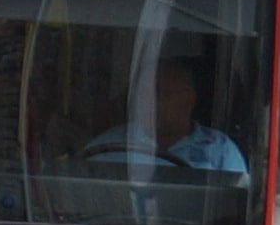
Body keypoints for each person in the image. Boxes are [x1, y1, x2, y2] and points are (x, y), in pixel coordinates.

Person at [87, 55, 251, 183]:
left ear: (189, 100)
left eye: (161, 93)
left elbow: (236, 213)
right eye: (144, 94)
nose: (150, 102)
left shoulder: (220, 151)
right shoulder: (107, 148)